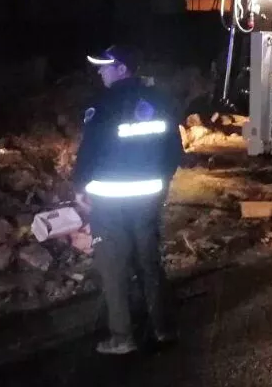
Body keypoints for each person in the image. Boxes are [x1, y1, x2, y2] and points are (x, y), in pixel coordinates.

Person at [71, 45, 183, 355]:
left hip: (110, 199)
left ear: (123, 69)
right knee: (148, 259)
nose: (100, 71)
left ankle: (122, 337)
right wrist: (160, 182)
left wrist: (79, 186)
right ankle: (163, 328)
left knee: (113, 263)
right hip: (149, 195)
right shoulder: (159, 100)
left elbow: (90, 150)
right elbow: (174, 150)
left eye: (106, 66)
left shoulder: (102, 104)